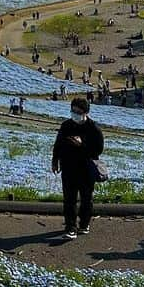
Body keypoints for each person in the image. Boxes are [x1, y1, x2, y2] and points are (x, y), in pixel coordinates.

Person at [51, 96, 105, 241]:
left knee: (86, 199)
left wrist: (82, 144)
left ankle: (84, 224)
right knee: (69, 199)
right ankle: (70, 228)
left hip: (86, 170)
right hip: (68, 167)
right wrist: (55, 160)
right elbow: (58, 144)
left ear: (85, 112)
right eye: (73, 110)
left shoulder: (94, 129)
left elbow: (98, 150)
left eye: (78, 111)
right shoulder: (66, 125)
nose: (75, 114)